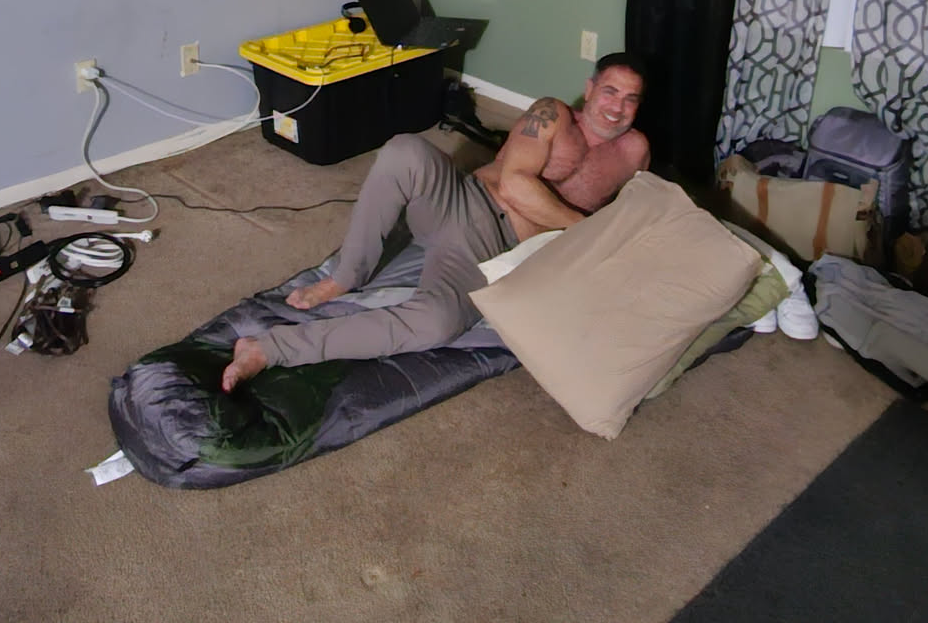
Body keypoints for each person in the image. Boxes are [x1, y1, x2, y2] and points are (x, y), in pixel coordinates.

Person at [218, 53, 652, 391]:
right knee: (404, 151)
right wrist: (581, 225)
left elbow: (637, 213)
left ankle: (267, 349)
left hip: (490, 254)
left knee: (437, 323)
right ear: (589, 89)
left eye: (630, 98)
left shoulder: (634, 153)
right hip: (461, 199)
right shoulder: (553, 114)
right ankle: (346, 276)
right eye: (610, 92)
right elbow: (515, 185)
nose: (617, 107)